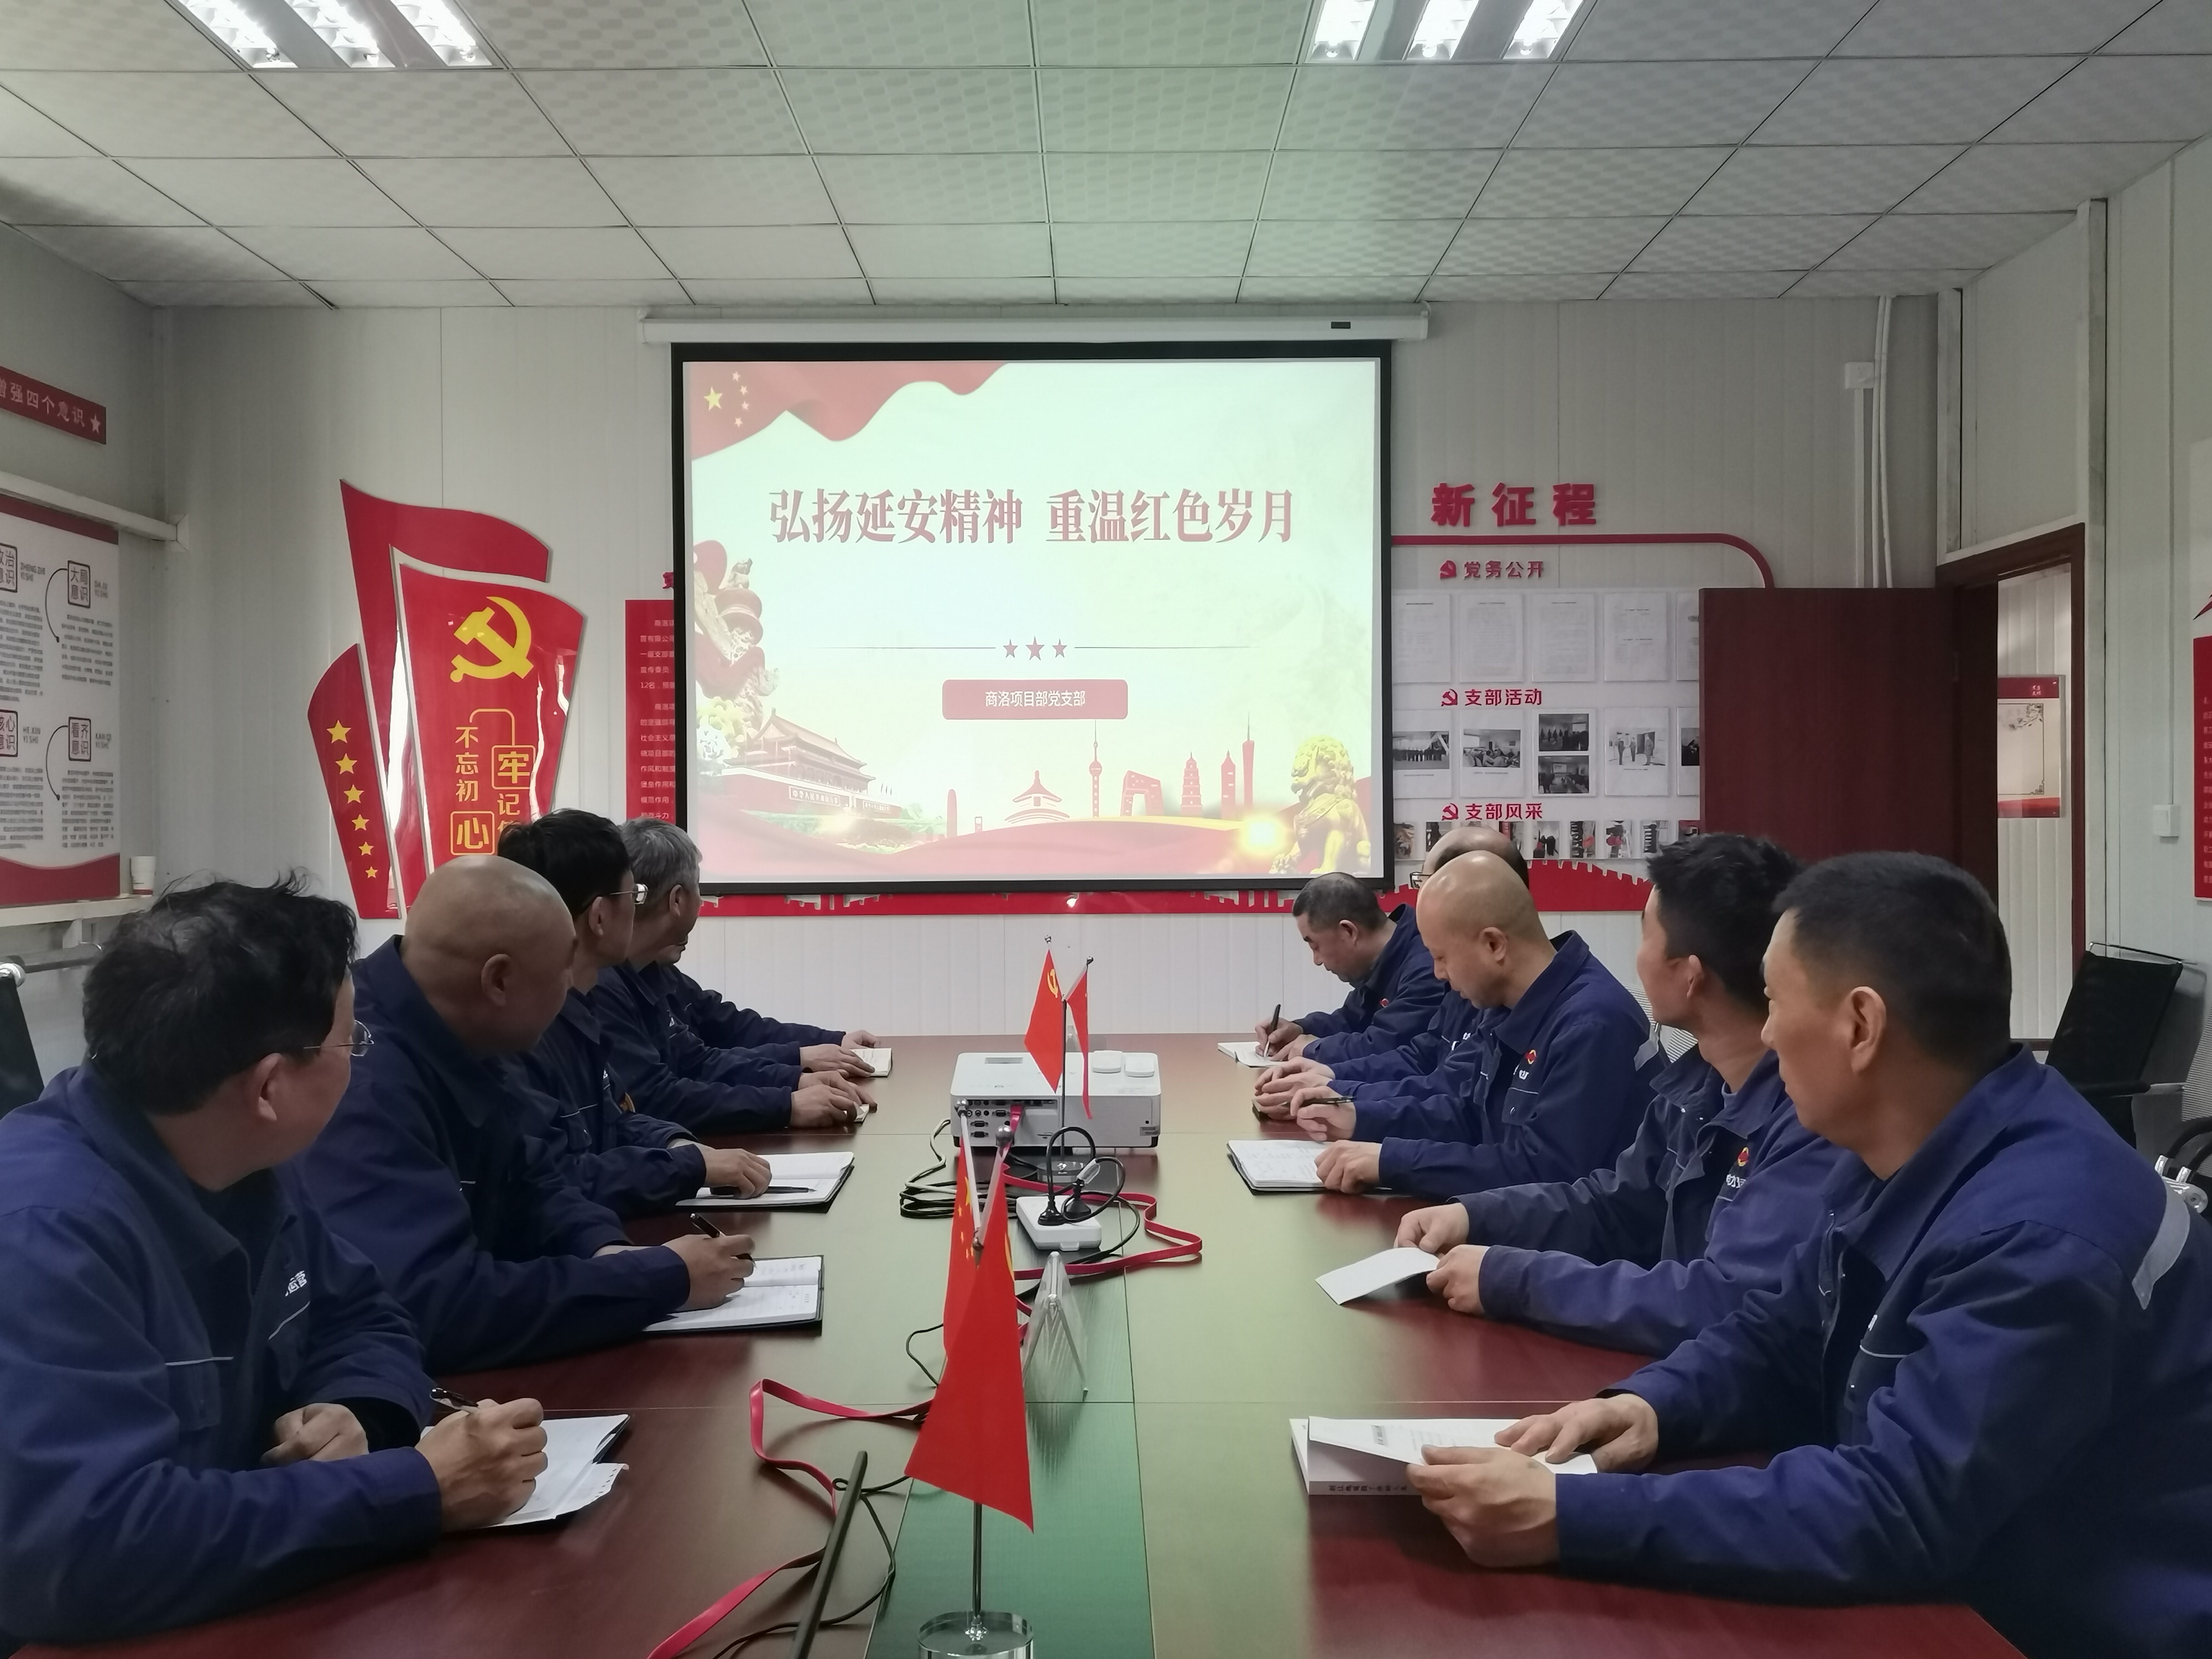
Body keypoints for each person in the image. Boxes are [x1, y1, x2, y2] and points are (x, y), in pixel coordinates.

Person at [1405, 853, 2212, 1659]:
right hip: (1962, 1585)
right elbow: (1781, 1331)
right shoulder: (1903, 1145)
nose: (1763, 1033)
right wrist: (1652, 1407)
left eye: (1777, 1003)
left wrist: (1568, 1515)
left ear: (1860, 1026)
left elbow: (1898, 1507)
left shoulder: (2042, 1233)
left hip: (2058, 1626)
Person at [0, 878, 547, 1646]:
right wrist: (418, 1487)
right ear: (269, 1087)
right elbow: (93, 1548)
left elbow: (365, 1315)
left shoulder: (240, 1158)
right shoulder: (44, 1233)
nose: (359, 1061)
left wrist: (358, 1411)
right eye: (351, 1043)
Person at [1394, 833, 1870, 1355]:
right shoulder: (1698, 1084)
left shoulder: (1811, 1117)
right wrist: (1473, 1217)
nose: (1636, 958)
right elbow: (1616, 1205)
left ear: (1689, 976)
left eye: (1644, 933)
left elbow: (1723, 1301)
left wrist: (1515, 1278)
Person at [296, 856, 756, 1373]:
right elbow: (436, 1307)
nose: (575, 988)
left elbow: (535, 1177)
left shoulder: (464, 1021)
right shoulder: (365, 1080)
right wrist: (658, 1279)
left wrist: (607, 1251)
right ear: (499, 981)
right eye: (564, 971)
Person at [1301, 851, 1657, 1198]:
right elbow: (1471, 1116)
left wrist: (1394, 1161)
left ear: (1493, 944)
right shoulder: (1507, 1003)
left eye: (1442, 957)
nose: (1438, 973)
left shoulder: (1591, 1024)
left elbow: (1543, 1174)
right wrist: (1360, 1117)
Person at [497, 810, 771, 1215]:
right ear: (600, 917)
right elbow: (557, 1180)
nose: (639, 910)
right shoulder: (522, 1029)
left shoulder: (580, 1002)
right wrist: (685, 1166)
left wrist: (677, 1146)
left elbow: (615, 1120)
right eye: (634, 896)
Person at [588, 818, 877, 1135]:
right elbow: (658, 1097)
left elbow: (704, 1055)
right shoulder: (602, 986)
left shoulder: (651, 970)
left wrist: (798, 1072)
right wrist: (786, 1101)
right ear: (678, 900)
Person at [1251, 872, 1444, 1063]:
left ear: (1348, 931)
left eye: (1315, 946)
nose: (1317, 960)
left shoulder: (1427, 968)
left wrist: (1314, 1049)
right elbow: (1350, 1022)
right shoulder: (1384, 960)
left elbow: (1384, 1045)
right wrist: (1302, 1029)